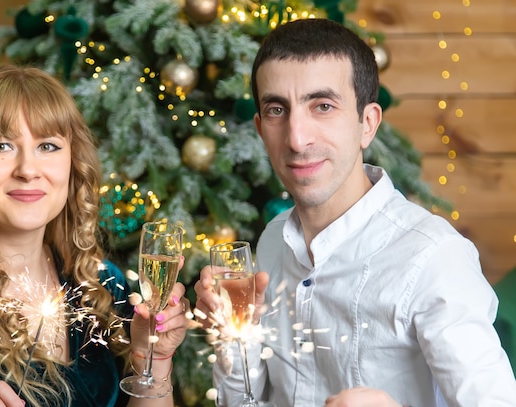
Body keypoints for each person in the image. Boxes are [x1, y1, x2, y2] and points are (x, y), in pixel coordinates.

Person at [195, 18, 516, 407]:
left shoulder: (434, 257)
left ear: (367, 124)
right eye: (278, 109)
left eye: (323, 106)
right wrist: (231, 337)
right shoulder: (272, 242)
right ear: (261, 130)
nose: (297, 139)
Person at [0, 65, 189, 407]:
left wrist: (153, 361)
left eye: (47, 146)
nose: (28, 170)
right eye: (1, 146)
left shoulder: (105, 286)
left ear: (72, 163)